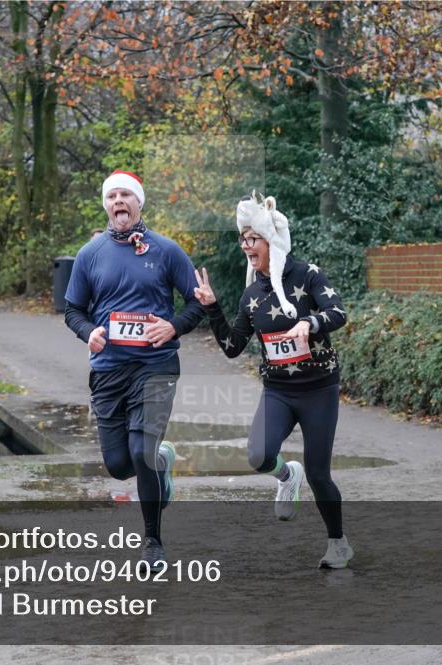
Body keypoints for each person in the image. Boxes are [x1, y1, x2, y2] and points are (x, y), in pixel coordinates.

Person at [191, 193, 353, 569]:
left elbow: (338, 312)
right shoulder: (252, 295)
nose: (246, 246)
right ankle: (285, 475)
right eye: (242, 239)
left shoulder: (306, 275)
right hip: (279, 391)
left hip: (318, 390)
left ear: (271, 240)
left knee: (319, 474)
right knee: (258, 455)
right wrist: (212, 307)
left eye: (253, 238)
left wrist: (309, 322)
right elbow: (233, 347)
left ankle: (338, 543)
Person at [64, 170, 204, 568]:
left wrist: (175, 325)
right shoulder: (89, 255)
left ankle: (153, 543)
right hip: (108, 369)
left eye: (126, 195)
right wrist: (88, 332)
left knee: (141, 453)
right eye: (112, 196)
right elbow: (72, 309)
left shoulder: (166, 250)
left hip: (156, 366)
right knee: (119, 465)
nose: (119, 201)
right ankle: (162, 461)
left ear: (139, 202)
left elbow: (198, 302)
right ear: (106, 205)